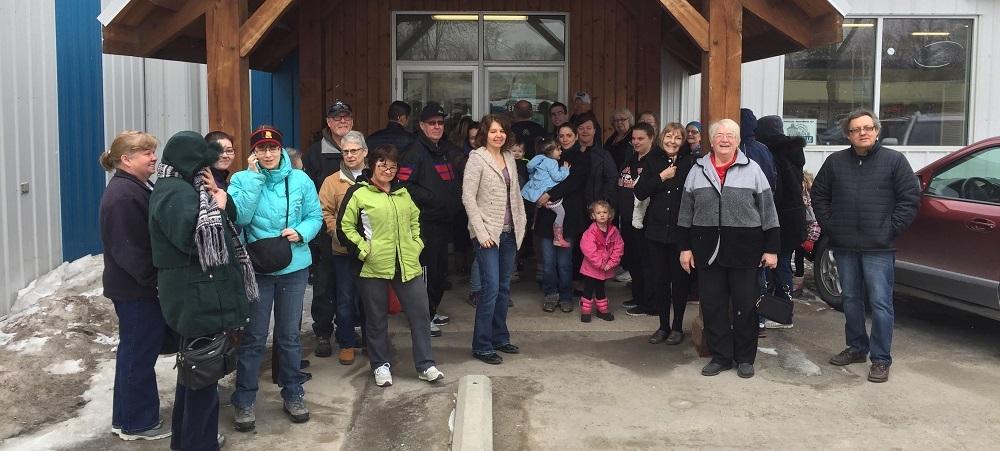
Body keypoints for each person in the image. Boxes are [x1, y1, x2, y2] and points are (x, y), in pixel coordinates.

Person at [150, 131, 253, 450]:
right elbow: (194, 238)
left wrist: (219, 199)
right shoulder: (175, 192)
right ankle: (199, 444)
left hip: (199, 296)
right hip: (197, 300)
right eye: (203, 163)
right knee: (202, 383)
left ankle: (187, 442)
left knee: (195, 379)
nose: (208, 168)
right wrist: (219, 208)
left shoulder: (183, 187)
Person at [811, 109, 919, 383]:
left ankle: (881, 359)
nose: (863, 133)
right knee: (850, 299)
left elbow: (909, 199)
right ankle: (857, 347)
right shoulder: (835, 162)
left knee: (880, 303)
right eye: (856, 129)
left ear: (877, 131)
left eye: (868, 128)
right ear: (848, 135)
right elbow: (819, 195)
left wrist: (890, 229)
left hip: (878, 247)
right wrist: (832, 226)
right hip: (845, 244)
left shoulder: (894, 161)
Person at [228, 126, 323, 431]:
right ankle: (244, 400)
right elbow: (240, 218)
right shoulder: (240, 180)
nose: (267, 154)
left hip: (294, 265)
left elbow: (315, 216)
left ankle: (293, 393)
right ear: (253, 152)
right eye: (261, 149)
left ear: (281, 149)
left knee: (289, 336)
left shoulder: (300, 179)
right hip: (258, 268)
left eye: (272, 148)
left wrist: (302, 232)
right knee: (254, 336)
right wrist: (254, 179)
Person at [677, 118, 780, 379]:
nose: (724, 139)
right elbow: (685, 212)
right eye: (719, 135)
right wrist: (685, 248)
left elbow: (768, 212)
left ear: (738, 140)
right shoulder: (697, 170)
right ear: (711, 141)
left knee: (745, 306)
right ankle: (721, 356)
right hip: (707, 250)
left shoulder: (753, 169)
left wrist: (771, 249)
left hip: (745, 250)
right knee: (713, 306)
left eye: (730, 135)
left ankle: (745, 358)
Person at [338, 144, 445, 386]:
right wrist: (364, 251)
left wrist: (416, 245)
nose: (388, 170)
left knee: (420, 314)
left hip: (407, 263)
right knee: (376, 318)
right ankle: (380, 365)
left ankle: (425, 364)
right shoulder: (358, 193)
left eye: (393, 166)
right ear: (372, 165)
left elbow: (416, 220)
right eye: (383, 165)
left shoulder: (403, 192)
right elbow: (345, 227)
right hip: (373, 266)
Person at [99, 131, 169, 441]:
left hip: (137, 288)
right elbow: (128, 250)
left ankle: (125, 419)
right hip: (136, 291)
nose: (154, 158)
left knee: (134, 353)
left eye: (153, 151)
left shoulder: (136, 186)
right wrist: (155, 282)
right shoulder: (123, 195)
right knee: (138, 356)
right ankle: (138, 424)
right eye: (146, 153)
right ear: (126, 160)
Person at [462, 115, 527, 365]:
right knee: (489, 289)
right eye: (492, 131)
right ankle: (482, 345)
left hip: (509, 232)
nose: (498, 135)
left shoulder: (509, 157)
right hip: (488, 233)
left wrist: (521, 224)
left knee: (503, 288)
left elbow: (516, 194)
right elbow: (468, 197)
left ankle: (500, 337)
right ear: (484, 134)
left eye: (501, 131)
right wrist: (481, 233)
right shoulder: (476, 158)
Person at [400, 102, 463, 337]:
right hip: (424, 223)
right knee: (425, 272)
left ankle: (431, 310)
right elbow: (403, 184)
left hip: (443, 222)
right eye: (432, 123)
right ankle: (421, 318)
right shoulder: (414, 151)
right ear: (421, 125)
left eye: (440, 123)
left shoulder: (443, 149)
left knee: (440, 271)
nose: (437, 127)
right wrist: (433, 199)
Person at [635, 122, 695, 345]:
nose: (672, 141)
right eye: (669, 136)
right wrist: (662, 176)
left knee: (679, 282)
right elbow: (640, 192)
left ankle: (677, 327)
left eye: (678, 138)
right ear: (661, 139)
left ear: (683, 141)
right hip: (657, 231)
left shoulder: (691, 163)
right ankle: (663, 326)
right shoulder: (652, 160)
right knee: (659, 280)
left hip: (681, 232)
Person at [304, 100, 353, 358]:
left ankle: (349, 331)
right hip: (325, 231)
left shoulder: (360, 148)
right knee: (324, 285)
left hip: (357, 234)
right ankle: (323, 332)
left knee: (352, 287)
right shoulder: (315, 153)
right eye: (337, 118)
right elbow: (309, 194)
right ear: (328, 122)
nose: (342, 121)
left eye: (346, 117)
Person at [317, 131, 368, 365]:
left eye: (354, 151)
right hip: (343, 251)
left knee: (370, 300)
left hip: (372, 251)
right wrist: (337, 233)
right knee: (345, 298)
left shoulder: (375, 176)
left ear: (364, 152)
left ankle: (371, 342)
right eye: (345, 151)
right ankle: (346, 343)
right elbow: (324, 211)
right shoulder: (332, 181)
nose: (349, 155)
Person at [757, 115, 807, 328]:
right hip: (794, 218)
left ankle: (780, 315)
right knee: (783, 264)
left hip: (779, 217)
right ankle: (783, 314)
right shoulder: (793, 151)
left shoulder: (769, 153)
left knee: (774, 266)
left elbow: (774, 190)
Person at [535, 124, 591, 312]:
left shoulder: (581, 157)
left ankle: (566, 296)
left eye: (569, 135)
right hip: (546, 216)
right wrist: (539, 196)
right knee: (548, 262)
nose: (565, 139)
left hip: (569, 217)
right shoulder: (547, 156)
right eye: (561, 136)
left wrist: (549, 194)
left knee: (565, 263)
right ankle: (550, 294)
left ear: (576, 137)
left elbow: (573, 182)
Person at [617, 122, 661, 317]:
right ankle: (638, 297)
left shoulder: (656, 160)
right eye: (633, 138)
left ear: (651, 138)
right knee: (633, 260)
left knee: (647, 263)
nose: (635, 142)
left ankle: (650, 303)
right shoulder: (631, 158)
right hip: (627, 219)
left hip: (645, 221)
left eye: (640, 138)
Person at [578, 200, 623, 322]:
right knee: (588, 288)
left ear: (610, 214)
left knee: (601, 288)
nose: (602, 215)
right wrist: (600, 264)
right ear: (593, 216)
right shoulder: (590, 232)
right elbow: (588, 249)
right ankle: (586, 311)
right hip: (591, 268)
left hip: (606, 267)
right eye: (598, 213)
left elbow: (619, 247)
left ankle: (602, 310)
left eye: (604, 212)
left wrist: (611, 263)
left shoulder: (614, 231)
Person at [522, 140, 571, 247]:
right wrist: (565, 170)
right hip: (544, 192)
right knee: (561, 213)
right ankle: (558, 238)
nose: (561, 152)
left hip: (535, 192)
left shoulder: (539, 160)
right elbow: (557, 177)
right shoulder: (552, 162)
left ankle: (534, 221)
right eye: (558, 149)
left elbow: (530, 169)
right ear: (550, 151)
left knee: (537, 209)